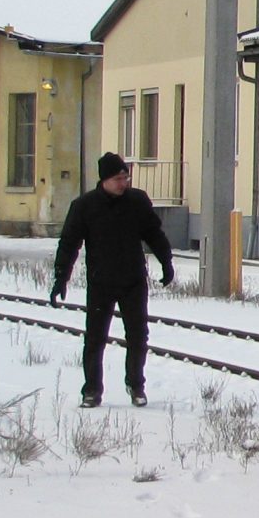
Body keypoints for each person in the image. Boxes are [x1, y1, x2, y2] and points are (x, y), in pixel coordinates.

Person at [51, 152, 174, 407]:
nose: (123, 183)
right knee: (95, 338)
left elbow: (154, 233)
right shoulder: (85, 206)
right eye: (119, 178)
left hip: (133, 281)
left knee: (138, 336)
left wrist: (166, 262)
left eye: (126, 177)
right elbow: (69, 243)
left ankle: (136, 385)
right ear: (105, 180)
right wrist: (61, 278)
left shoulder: (137, 201)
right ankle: (92, 390)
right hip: (101, 282)